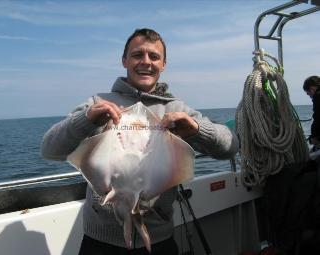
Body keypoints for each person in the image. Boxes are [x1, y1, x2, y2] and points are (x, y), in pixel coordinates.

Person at [41, 28, 239, 255]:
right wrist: (85, 120)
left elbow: (231, 147)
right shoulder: (99, 104)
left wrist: (196, 129)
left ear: (163, 64)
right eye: (137, 55)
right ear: (124, 60)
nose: (146, 62)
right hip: (100, 241)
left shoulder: (176, 109)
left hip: (159, 239)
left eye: (154, 56)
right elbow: (49, 150)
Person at [303, 75, 320, 151]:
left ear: (312, 89)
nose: (308, 95)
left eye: (307, 92)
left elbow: (318, 118)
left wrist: (315, 137)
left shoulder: (318, 96)